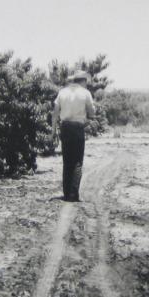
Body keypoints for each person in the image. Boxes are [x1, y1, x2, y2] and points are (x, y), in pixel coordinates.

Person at [51, 70, 95, 201]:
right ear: (83, 81)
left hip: (65, 127)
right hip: (78, 128)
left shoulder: (62, 92)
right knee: (77, 162)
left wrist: (53, 131)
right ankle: (73, 194)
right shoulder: (85, 93)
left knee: (67, 161)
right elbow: (92, 112)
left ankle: (66, 193)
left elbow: (55, 113)